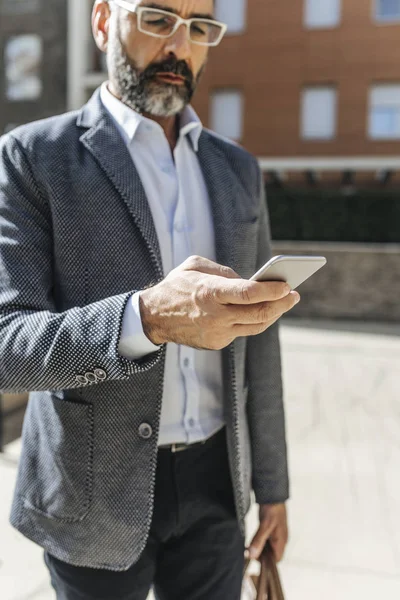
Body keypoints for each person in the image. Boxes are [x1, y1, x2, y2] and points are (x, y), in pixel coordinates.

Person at [0, 1, 300, 598]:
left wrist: (273, 485)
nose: (179, 47)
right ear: (104, 20)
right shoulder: (32, 157)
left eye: (199, 28)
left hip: (218, 486)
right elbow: (8, 346)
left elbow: (260, 343)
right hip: (91, 492)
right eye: (159, 19)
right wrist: (148, 317)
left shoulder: (238, 168)